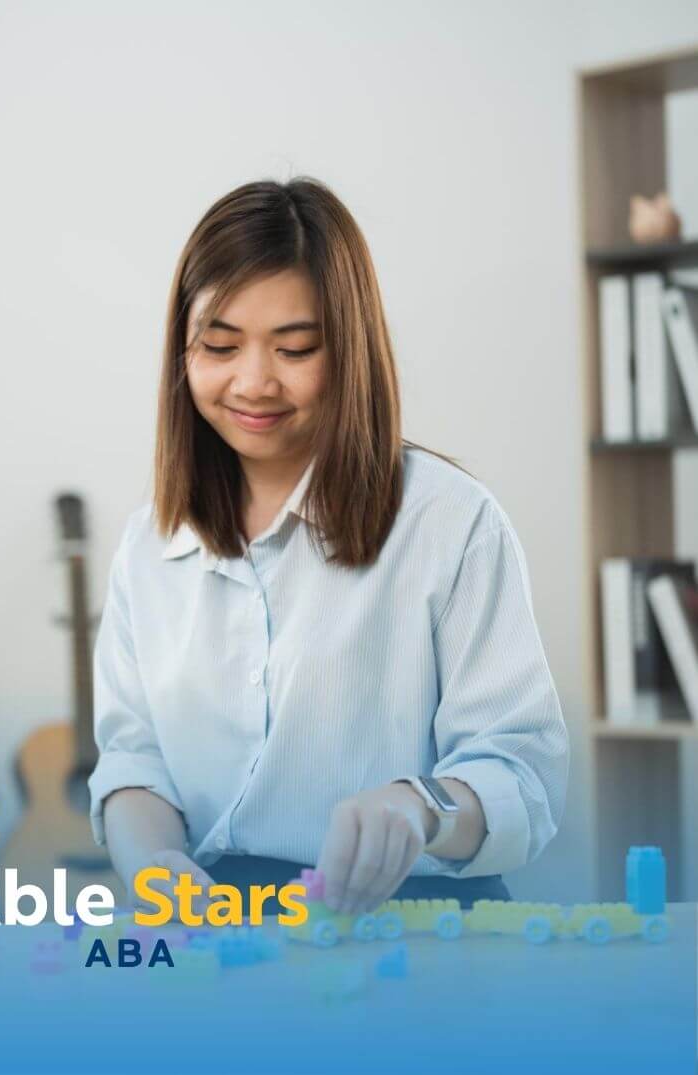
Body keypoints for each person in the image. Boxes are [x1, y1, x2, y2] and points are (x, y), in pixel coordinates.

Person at [90, 178, 568, 916]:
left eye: (296, 348)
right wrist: (155, 864)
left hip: (418, 918)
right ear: (181, 352)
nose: (254, 381)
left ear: (351, 348)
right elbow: (132, 761)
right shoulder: (148, 544)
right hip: (216, 923)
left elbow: (523, 772)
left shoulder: (450, 522)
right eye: (219, 345)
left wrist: (421, 808)